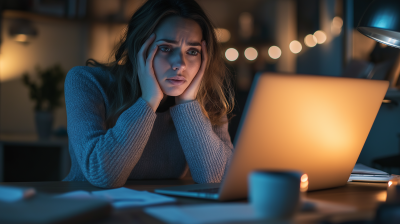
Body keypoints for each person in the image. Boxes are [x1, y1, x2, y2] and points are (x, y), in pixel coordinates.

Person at [63, 0, 235, 188]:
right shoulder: (86, 81)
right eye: (166, 48)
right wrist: (148, 100)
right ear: (140, 48)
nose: (181, 64)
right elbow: (103, 175)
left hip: (166, 212)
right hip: (92, 209)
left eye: (192, 51)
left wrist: (187, 104)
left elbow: (218, 179)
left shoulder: (208, 98)